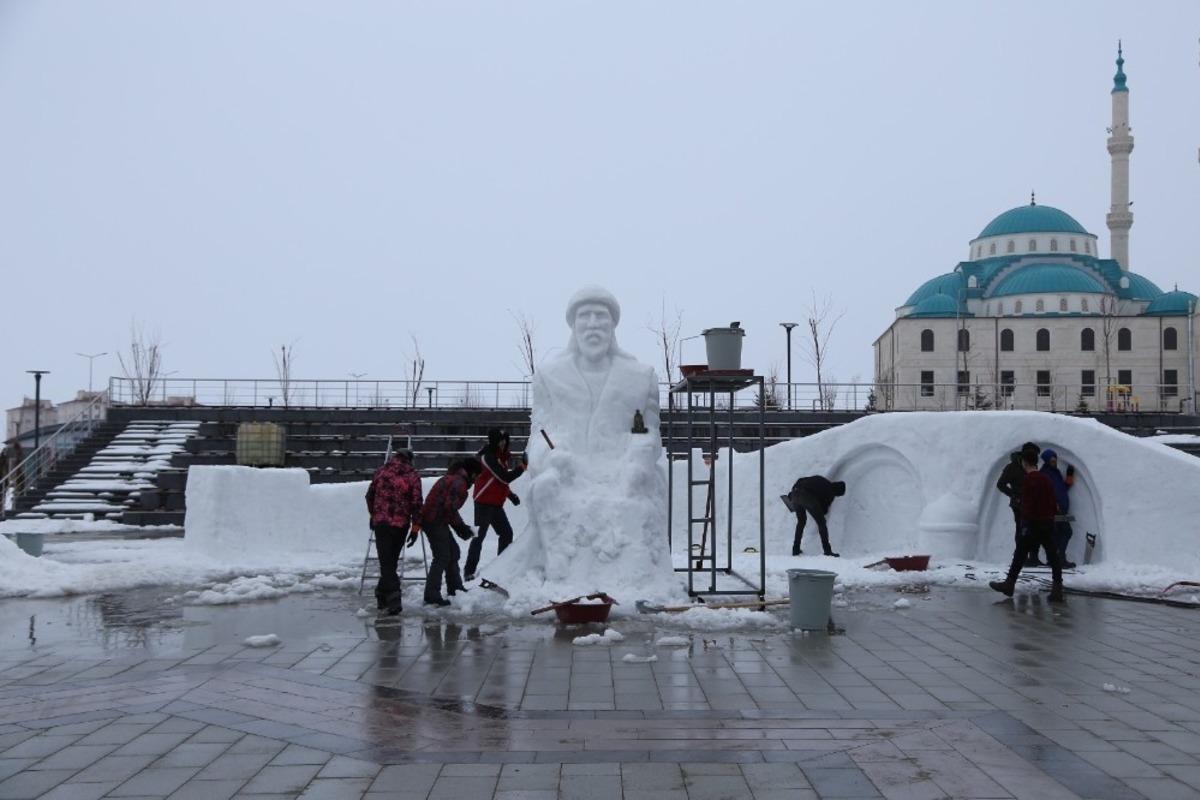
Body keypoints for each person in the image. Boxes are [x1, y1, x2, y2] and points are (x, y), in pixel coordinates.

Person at [479, 285, 672, 596]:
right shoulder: (549, 376)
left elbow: (649, 431)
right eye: (585, 316)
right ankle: (560, 580)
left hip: (621, 474)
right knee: (547, 490)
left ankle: (634, 585)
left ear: (613, 325)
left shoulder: (640, 376)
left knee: (637, 498)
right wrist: (549, 459)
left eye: (601, 317)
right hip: (571, 474)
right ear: (573, 324)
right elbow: (540, 433)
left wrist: (640, 458)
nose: (593, 324)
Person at [990, 447, 1064, 602]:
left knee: (1020, 553)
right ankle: (1058, 589)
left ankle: (1009, 585)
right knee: (1053, 555)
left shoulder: (1029, 480)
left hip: (1033, 524)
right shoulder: (1045, 478)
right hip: (1047, 523)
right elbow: (1052, 501)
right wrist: (1050, 518)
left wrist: (1025, 523)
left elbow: (1028, 505)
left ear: (1024, 462)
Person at [364, 448, 423, 615]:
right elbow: (417, 503)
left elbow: (370, 496)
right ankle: (394, 599)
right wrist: (416, 528)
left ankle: (381, 594)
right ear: (409, 459)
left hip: (381, 523)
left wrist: (373, 514)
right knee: (391, 562)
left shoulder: (381, 471)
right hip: (400, 524)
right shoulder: (413, 475)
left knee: (386, 562)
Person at [419, 457, 483, 606]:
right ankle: (431, 595)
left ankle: (455, 588)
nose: (478, 479)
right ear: (472, 473)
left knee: (453, 552)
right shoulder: (459, 483)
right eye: (478, 475)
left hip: (437, 519)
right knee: (442, 556)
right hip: (433, 520)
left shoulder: (456, 478)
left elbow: (448, 510)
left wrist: (460, 528)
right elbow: (450, 509)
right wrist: (462, 528)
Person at [463, 429, 526, 581]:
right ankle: (468, 572)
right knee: (479, 537)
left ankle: (500, 567)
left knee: (506, 533)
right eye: (500, 440)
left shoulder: (500, 458)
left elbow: (498, 482)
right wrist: (522, 467)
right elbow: (504, 477)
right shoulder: (487, 457)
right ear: (493, 441)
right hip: (483, 503)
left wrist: (510, 496)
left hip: (496, 504)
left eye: (505, 440)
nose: (503, 443)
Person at [995, 442, 1049, 565]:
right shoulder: (1012, 467)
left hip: (1034, 504)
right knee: (1022, 530)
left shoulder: (1033, 465)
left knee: (1035, 529)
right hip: (1019, 505)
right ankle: (1021, 557)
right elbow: (1000, 484)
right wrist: (1014, 495)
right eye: (1033, 454)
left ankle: (1033, 557)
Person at [784, 476, 846, 557]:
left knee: (801, 521)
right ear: (837, 492)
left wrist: (793, 490)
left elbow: (800, 479)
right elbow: (824, 510)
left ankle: (796, 549)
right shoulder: (830, 493)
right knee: (822, 523)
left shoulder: (822, 479)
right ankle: (827, 551)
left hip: (795, 494)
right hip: (806, 497)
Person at [1040, 449, 1077, 569]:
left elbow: (1063, 488)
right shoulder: (1045, 474)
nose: (1054, 461)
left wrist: (1069, 476)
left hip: (1062, 509)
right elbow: (1044, 493)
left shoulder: (1055, 472)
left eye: (1055, 459)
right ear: (1046, 460)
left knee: (1057, 534)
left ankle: (1053, 560)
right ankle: (1060, 559)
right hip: (1055, 510)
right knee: (1066, 532)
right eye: (1051, 460)